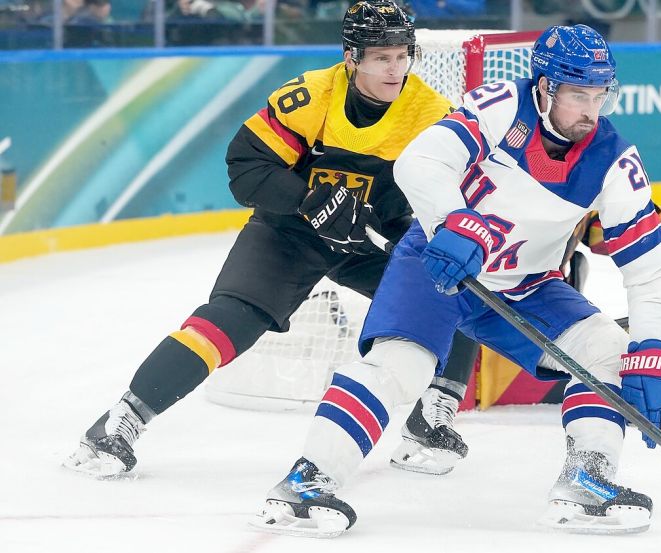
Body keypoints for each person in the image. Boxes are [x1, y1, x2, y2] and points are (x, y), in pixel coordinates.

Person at [253, 23, 661, 538]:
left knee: (612, 354)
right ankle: (305, 483)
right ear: (545, 86)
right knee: (400, 366)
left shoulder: (614, 159)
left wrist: (654, 346)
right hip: (440, 263)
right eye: (579, 94)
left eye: (601, 95)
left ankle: (586, 484)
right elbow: (421, 159)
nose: (591, 110)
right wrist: (451, 219)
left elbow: (655, 265)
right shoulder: (500, 104)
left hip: (525, 284)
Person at [63, 0, 477, 480]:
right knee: (228, 323)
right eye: (382, 56)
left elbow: (453, 194)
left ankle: (432, 414)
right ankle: (122, 421)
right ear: (352, 57)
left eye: (404, 54)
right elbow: (245, 167)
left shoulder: (432, 114)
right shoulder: (311, 96)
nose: (396, 67)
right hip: (291, 233)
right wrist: (308, 199)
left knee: (457, 291)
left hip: (372, 239)